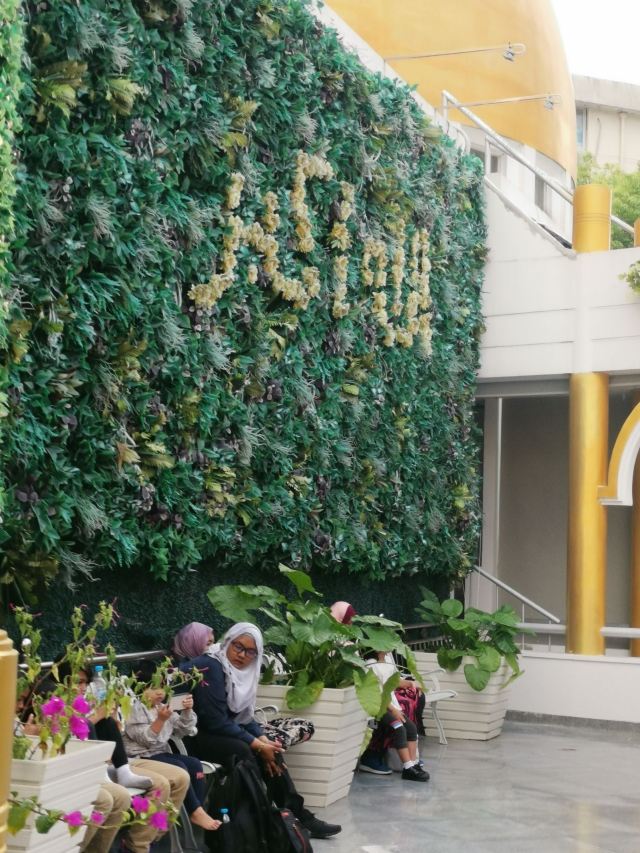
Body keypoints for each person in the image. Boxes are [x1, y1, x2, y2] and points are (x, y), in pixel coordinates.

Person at [177, 622, 341, 840]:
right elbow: (215, 720)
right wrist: (257, 745)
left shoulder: (242, 672)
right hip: (191, 735)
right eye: (238, 647)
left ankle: (297, 815)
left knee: (272, 748)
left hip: (218, 732)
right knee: (246, 749)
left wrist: (264, 740)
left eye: (251, 652)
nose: (243, 655)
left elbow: (245, 717)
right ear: (228, 641)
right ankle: (263, 823)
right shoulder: (210, 666)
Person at [123, 660, 221, 832]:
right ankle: (195, 810)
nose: (160, 692)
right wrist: (160, 720)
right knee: (180, 767)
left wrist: (187, 711)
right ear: (139, 688)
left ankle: (195, 810)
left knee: (194, 764)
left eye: (162, 686)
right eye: (153, 688)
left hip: (160, 753)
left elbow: (184, 729)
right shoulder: (134, 708)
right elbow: (146, 740)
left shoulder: (162, 706)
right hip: (141, 757)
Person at [360, 651, 429, 782]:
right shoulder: (370, 666)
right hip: (380, 707)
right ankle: (408, 767)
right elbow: (376, 692)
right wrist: (393, 710)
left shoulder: (387, 662)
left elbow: (394, 681)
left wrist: (409, 684)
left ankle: (413, 764)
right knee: (399, 728)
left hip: (392, 706)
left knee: (411, 728)